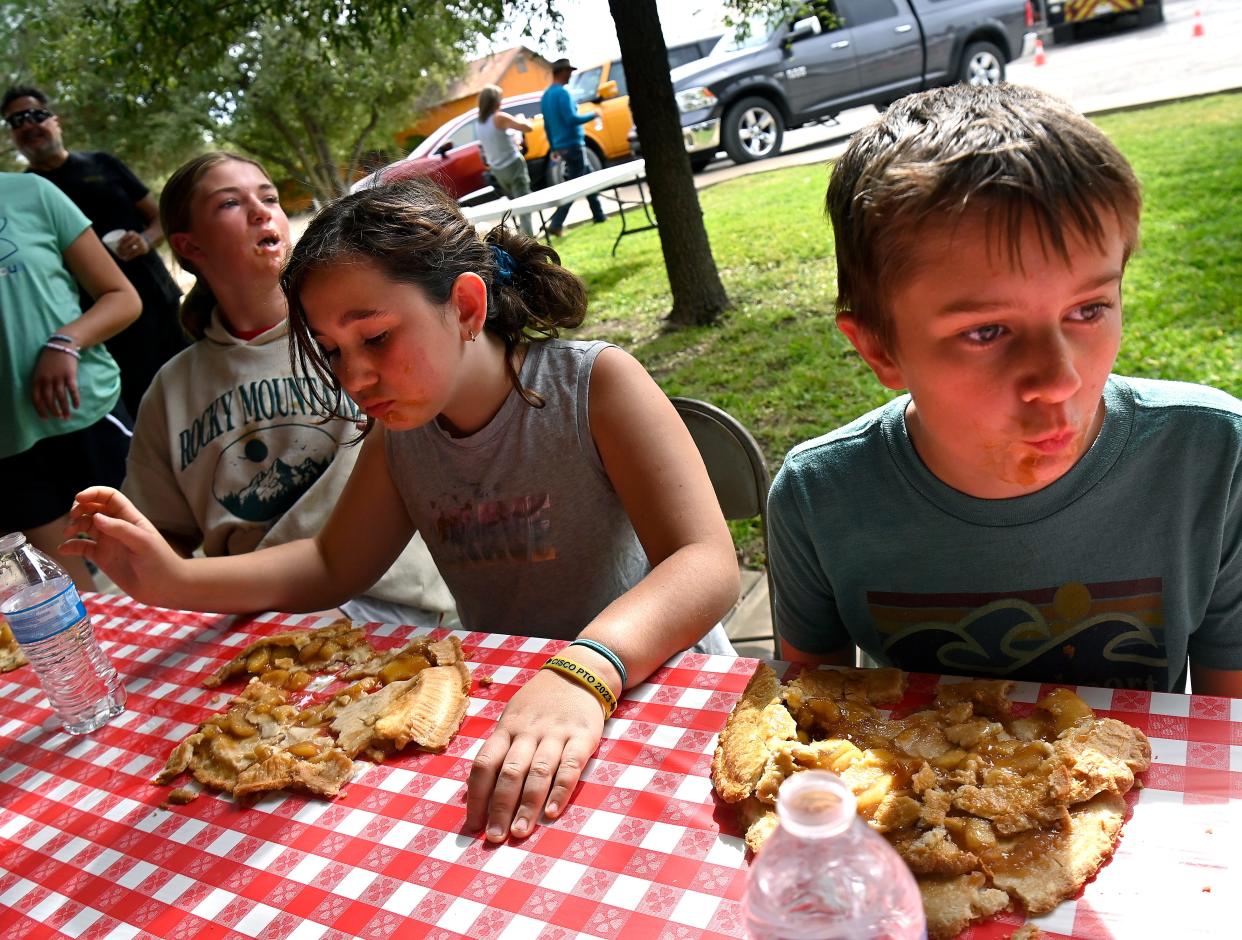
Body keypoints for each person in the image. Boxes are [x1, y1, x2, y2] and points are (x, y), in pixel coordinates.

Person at [61, 177, 740, 839]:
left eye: (376, 337)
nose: (354, 379)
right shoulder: (402, 435)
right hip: (523, 709)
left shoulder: (594, 384)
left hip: (658, 687)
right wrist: (172, 581)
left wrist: (586, 667)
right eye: (331, 352)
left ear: (467, 308)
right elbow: (332, 563)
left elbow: (705, 562)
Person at [767, 83, 1242, 698]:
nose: (1060, 379)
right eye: (986, 331)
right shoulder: (818, 499)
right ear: (881, 349)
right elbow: (809, 716)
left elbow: (1224, 739)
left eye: (1089, 309)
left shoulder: (1212, 460)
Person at [115, 152, 453, 626]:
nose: (261, 211)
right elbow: (162, 533)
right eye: (230, 204)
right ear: (189, 247)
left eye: (269, 197)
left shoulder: (362, 337)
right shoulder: (171, 389)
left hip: (391, 595)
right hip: (257, 613)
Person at [3, 86, 187, 418]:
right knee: (148, 408)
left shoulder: (102, 163)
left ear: (56, 121)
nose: (29, 125)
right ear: (13, 137)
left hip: (157, 298)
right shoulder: (24, 194)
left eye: (36, 114)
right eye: (16, 121)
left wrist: (145, 240)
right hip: (100, 322)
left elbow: (159, 217)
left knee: (193, 382)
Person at [0, 172, 140, 592]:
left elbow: (122, 296)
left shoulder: (32, 193)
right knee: (72, 602)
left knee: (155, 564)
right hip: (9, 449)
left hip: (87, 414)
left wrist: (66, 342)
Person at [540, 58, 606, 237]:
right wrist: (593, 115)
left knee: (588, 176)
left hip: (561, 147)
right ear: (561, 72)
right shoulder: (563, 93)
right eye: (569, 72)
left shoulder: (545, 97)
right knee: (576, 185)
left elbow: (547, 126)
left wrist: (554, 147)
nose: (570, 75)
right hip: (573, 144)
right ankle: (556, 223)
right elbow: (571, 119)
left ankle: (599, 216)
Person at [476, 84, 535, 236]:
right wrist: (523, 119)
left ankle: (521, 237)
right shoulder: (499, 117)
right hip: (513, 165)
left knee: (515, 205)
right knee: (525, 204)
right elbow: (527, 128)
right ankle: (527, 240)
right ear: (495, 102)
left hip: (498, 170)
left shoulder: (480, 124)